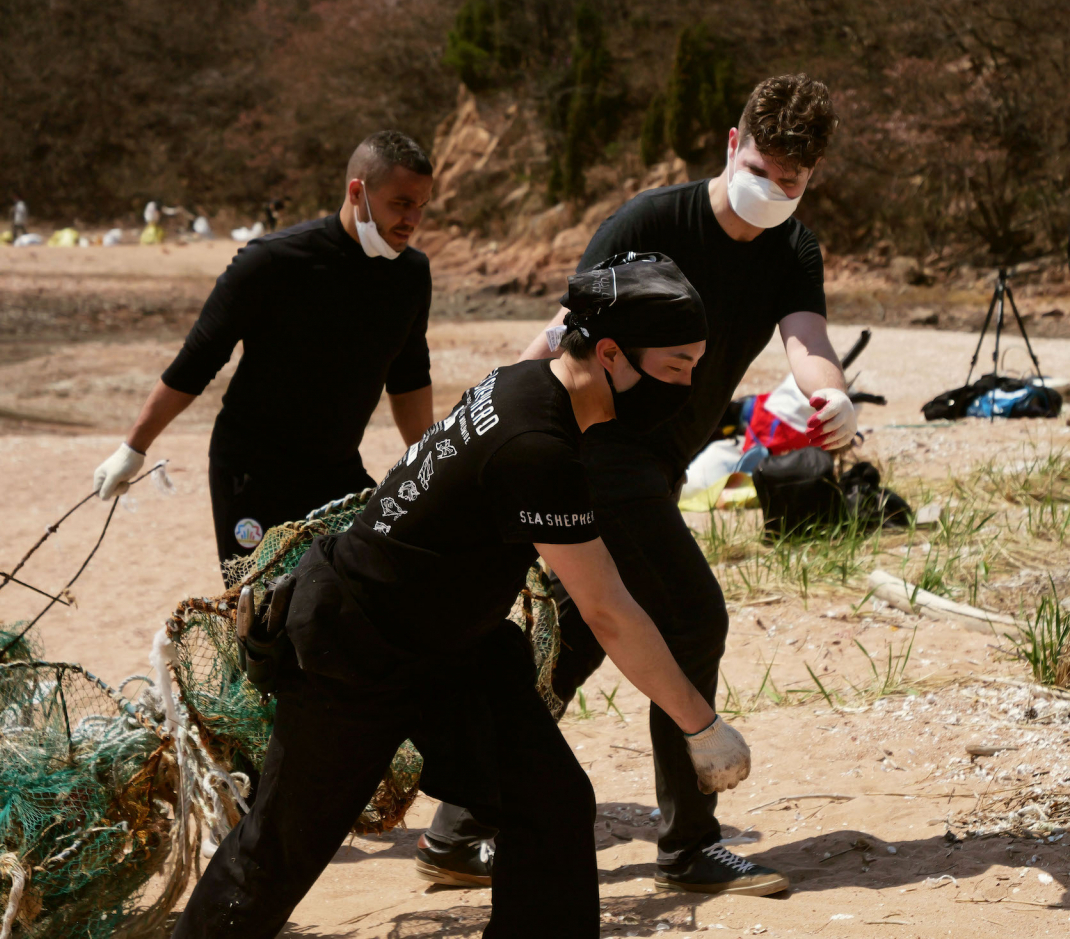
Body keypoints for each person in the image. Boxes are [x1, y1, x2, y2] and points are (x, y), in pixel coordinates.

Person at [170, 252, 751, 939]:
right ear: (612, 352)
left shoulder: (529, 385)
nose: (687, 384)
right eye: (678, 365)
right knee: (280, 848)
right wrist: (700, 725)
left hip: (454, 643)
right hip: (354, 643)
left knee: (551, 799)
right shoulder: (536, 442)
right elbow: (608, 612)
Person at [421, 73, 850, 898]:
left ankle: (457, 826)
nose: (775, 191)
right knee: (690, 615)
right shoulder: (651, 221)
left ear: (812, 178)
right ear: (733, 144)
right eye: (762, 169)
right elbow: (564, 333)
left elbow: (806, 339)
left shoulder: (794, 249)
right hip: (599, 450)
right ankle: (689, 846)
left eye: (793, 181)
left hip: (661, 464)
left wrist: (831, 395)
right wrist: (499, 427)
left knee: (577, 640)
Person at [92, 131, 437, 561]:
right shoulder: (272, 261)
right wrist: (133, 448)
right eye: (401, 203)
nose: (412, 220)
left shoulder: (410, 275)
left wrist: (430, 469)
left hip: (336, 471)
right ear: (357, 192)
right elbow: (198, 359)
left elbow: (408, 377)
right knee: (266, 617)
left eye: (421, 206)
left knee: (366, 594)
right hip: (252, 475)